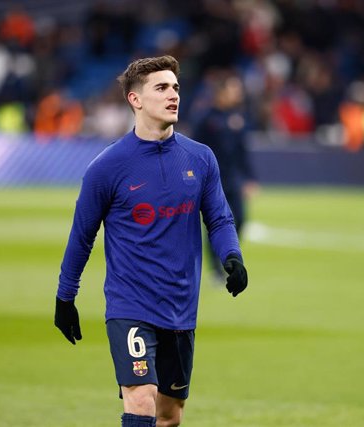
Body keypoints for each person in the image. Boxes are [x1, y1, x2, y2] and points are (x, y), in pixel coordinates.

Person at [53, 55, 248, 427]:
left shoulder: (201, 158)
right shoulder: (107, 168)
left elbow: (220, 218)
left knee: (170, 415)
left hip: (180, 306)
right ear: (135, 100)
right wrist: (66, 297)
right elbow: (82, 236)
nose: (173, 94)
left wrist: (232, 257)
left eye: (176, 87)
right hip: (131, 305)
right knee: (141, 401)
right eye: (161, 88)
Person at [191, 72, 258, 280]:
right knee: (214, 223)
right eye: (233, 89)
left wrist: (249, 177)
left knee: (241, 219)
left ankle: (227, 253)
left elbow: (242, 151)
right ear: (221, 92)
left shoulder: (237, 118)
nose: (238, 93)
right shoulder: (205, 118)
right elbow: (195, 150)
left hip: (233, 179)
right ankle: (216, 268)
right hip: (212, 181)